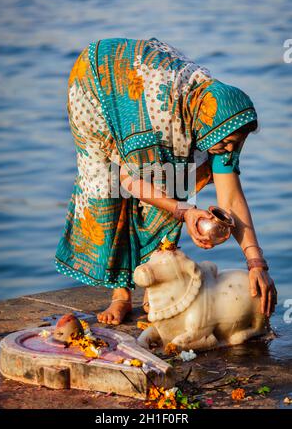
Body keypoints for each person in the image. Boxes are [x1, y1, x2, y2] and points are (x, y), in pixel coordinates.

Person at [54, 36, 277, 325]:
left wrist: (255, 263)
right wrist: (184, 211)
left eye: (239, 142)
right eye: (231, 142)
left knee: (178, 180)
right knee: (109, 183)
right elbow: (128, 181)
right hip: (98, 81)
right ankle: (120, 295)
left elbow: (231, 197)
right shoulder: (162, 119)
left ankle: (154, 281)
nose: (233, 149)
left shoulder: (221, 120)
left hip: (156, 89)